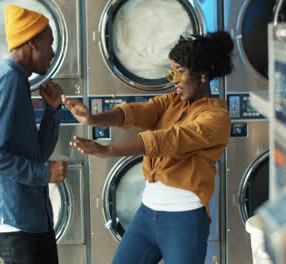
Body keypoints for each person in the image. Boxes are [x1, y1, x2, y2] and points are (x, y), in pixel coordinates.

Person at [62, 31, 234, 264]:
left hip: (184, 220)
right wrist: (93, 118)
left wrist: (108, 151)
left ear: (203, 76)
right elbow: (136, 112)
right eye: (171, 71)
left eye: (180, 72)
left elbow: (168, 140)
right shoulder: (172, 102)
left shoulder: (216, 118)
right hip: (147, 214)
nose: (173, 78)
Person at [0, 5, 67, 264]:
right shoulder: (7, 80)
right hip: (15, 222)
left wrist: (52, 111)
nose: (53, 52)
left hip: (30, 217)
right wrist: (45, 174)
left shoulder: (18, 80)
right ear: (32, 42)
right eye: (49, 43)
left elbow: (37, 153)